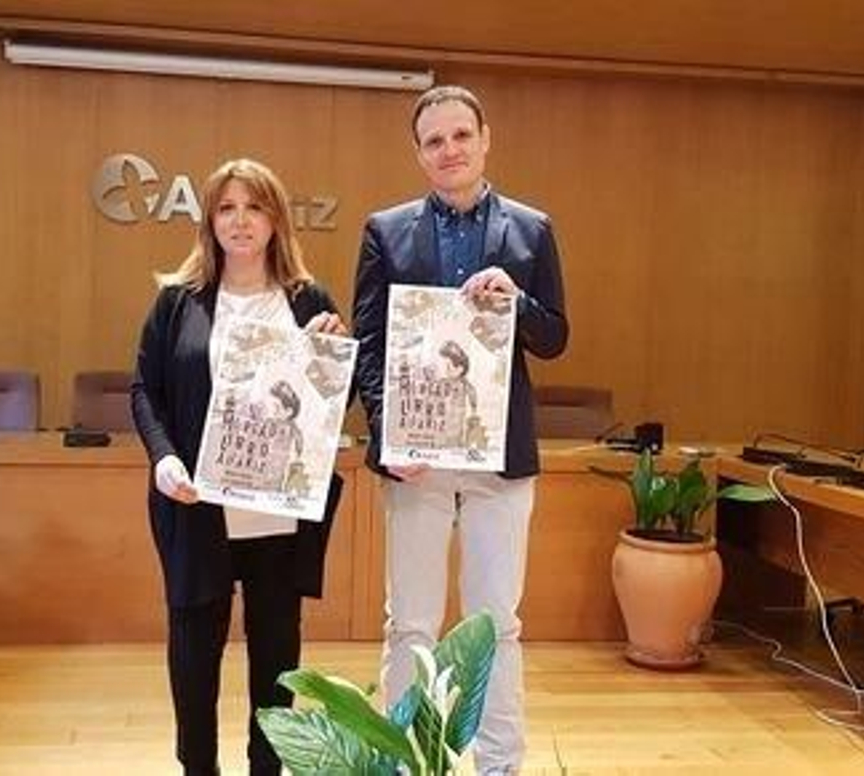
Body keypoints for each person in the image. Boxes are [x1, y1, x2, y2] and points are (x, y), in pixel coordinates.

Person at [352, 85, 569, 774]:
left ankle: (500, 766)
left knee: (496, 625)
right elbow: (369, 342)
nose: (448, 150)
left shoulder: (532, 229)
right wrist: (389, 435)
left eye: (459, 136)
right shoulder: (384, 230)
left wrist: (520, 301)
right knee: (409, 623)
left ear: (484, 139)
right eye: (433, 141)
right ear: (419, 153)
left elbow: (556, 337)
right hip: (415, 459)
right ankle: (402, 762)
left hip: (498, 458)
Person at [130, 158, 348, 776]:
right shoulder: (178, 301)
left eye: (253, 207)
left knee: (277, 659)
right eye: (226, 208)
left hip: (278, 516)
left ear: (276, 219)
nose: (240, 220)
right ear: (209, 220)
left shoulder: (310, 302)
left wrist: (333, 357)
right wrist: (164, 458)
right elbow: (145, 389)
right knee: (194, 658)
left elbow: (331, 406)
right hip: (198, 509)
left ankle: (267, 769)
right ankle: (197, 768)